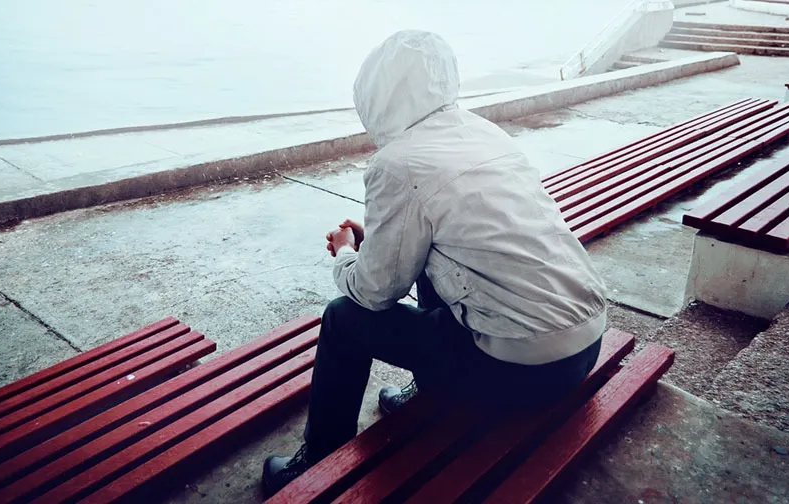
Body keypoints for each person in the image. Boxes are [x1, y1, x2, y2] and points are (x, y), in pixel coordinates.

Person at [261, 30, 608, 496]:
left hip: (521, 372)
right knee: (426, 257)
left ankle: (319, 459)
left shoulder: (397, 162)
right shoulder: (484, 132)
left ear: (376, 94)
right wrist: (378, 244)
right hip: (584, 346)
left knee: (343, 318)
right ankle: (432, 387)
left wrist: (346, 251)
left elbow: (373, 293)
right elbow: (456, 239)